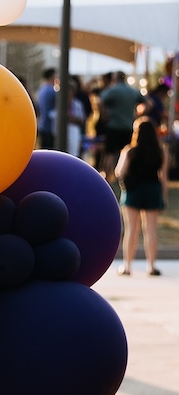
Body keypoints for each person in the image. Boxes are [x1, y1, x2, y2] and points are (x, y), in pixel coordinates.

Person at [116, 117, 169, 276]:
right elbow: (163, 177)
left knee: (131, 229)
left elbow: (119, 172)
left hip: (134, 191)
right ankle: (151, 266)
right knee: (150, 230)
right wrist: (163, 197)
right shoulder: (160, 151)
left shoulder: (130, 151)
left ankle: (127, 266)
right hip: (153, 189)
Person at [97, 72, 146, 183]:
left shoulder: (113, 90)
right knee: (127, 153)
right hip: (129, 126)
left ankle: (107, 179)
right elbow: (149, 103)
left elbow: (99, 101)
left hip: (113, 126)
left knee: (109, 153)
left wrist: (103, 115)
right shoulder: (132, 91)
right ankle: (126, 176)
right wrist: (138, 116)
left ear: (115, 78)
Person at [37, 68, 60, 150]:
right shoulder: (52, 91)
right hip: (50, 126)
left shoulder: (41, 90)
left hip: (42, 124)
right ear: (52, 76)